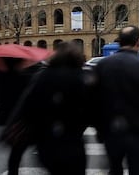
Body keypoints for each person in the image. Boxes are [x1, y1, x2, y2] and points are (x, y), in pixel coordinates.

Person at [92, 25, 139, 175]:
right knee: (138, 170)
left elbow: (93, 100)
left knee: (114, 169)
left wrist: (100, 129)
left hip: (111, 131)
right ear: (138, 41)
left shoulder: (102, 66)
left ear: (119, 41)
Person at [19, 41, 92, 175]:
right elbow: (91, 112)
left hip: (47, 144)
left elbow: (27, 109)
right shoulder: (81, 78)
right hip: (73, 143)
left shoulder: (41, 77)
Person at [0, 58, 43, 175]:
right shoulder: (23, 77)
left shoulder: (1, 77)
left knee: (15, 152)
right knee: (18, 150)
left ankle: (13, 171)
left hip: (6, 119)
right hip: (19, 120)